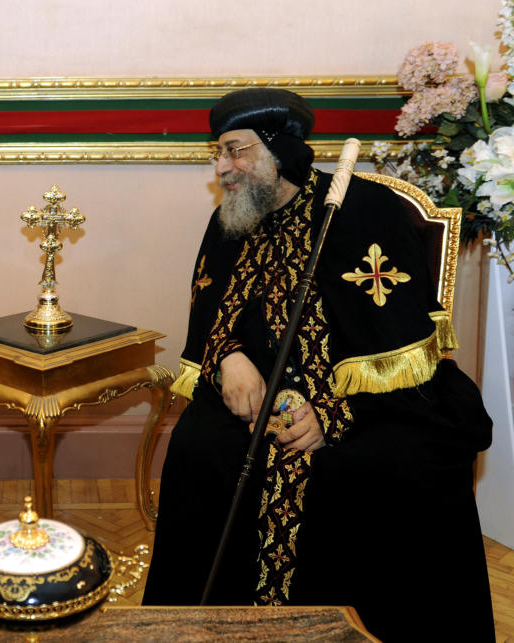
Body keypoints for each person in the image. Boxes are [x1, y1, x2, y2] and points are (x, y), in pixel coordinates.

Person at [142, 88, 495, 642]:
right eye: (218, 153)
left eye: (235, 151)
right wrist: (228, 357)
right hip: (256, 396)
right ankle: (209, 627)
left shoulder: (367, 211)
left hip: (373, 402)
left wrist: (330, 413)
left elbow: (404, 347)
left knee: (391, 470)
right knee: (199, 449)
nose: (221, 167)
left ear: (280, 148)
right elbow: (209, 306)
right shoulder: (231, 218)